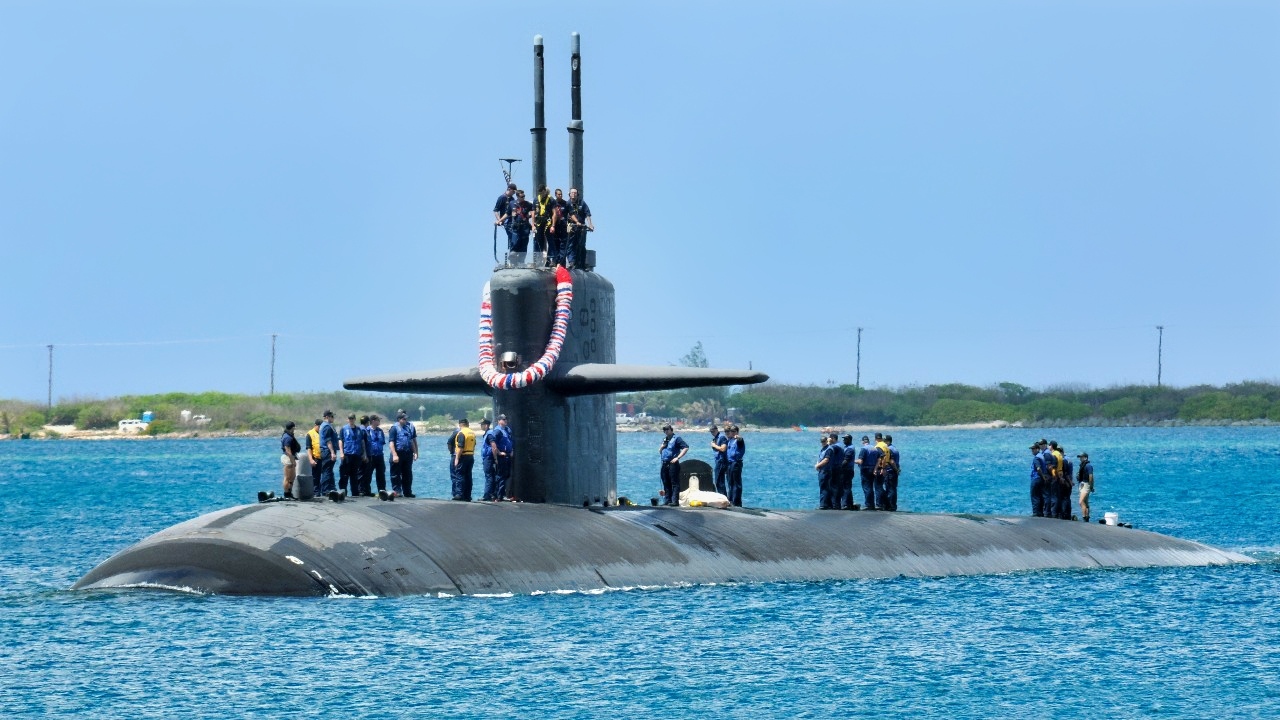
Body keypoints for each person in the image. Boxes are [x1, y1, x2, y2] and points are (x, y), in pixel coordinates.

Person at [388, 411, 418, 498]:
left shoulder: (408, 428)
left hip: (407, 453)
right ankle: (397, 491)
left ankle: (407, 492)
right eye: (403, 419)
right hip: (398, 453)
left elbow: (411, 441)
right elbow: (391, 443)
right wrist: (394, 455)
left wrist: (415, 452)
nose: (405, 420)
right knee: (396, 474)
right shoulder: (394, 428)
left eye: (406, 419)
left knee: (407, 473)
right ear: (399, 419)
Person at [659, 424, 688, 506]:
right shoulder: (665, 440)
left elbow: (685, 447)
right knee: (665, 481)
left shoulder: (677, 439)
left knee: (674, 482)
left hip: (673, 463)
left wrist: (678, 457)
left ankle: (674, 501)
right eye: (664, 430)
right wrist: (661, 447)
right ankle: (667, 500)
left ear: (671, 430)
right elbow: (660, 452)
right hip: (665, 463)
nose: (666, 431)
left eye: (667, 429)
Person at [565, 187, 593, 269]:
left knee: (581, 246)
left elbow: (587, 214)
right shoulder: (567, 204)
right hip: (571, 227)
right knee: (570, 246)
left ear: (577, 194)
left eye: (575, 193)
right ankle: (571, 262)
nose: (573, 194)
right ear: (569, 194)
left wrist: (590, 224)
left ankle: (582, 264)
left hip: (581, 228)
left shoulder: (582, 203)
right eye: (572, 193)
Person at [339, 413, 367, 496]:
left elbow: (362, 442)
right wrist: (341, 452)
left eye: (352, 419)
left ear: (355, 419)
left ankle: (355, 493)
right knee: (344, 474)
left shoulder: (359, 430)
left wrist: (364, 454)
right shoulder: (344, 429)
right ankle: (343, 492)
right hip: (347, 454)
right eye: (350, 419)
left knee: (354, 475)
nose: (351, 420)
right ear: (348, 419)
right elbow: (340, 441)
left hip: (356, 455)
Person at [453, 418, 477, 501]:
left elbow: (460, 447)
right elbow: (474, 444)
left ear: (460, 424)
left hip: (463, 456)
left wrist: (456, 458)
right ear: (468, 424)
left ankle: (459, 494)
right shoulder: (472, 433)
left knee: (460, 475)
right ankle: (468, 495)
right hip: (470, 455)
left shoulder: (461, 433)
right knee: (468, 476)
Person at [493, 414, 514, 500]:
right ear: (499, 421)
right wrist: (499, 452)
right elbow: (493, 443)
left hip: (508, 455)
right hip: (502, 456)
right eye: (504, 419)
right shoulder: (497, 431)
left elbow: (510, 441)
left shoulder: (507, 430)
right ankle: (499, 495)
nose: (506, 421)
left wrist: (512, 450)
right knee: (501, 475)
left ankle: (502, 494)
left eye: (506, 419)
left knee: (506, 475)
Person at [366, 414, 388, 497]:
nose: (379, 422)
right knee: (368, 474)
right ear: (373, 421)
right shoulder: (367, 430)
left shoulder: (380, 431)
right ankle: (367, 490)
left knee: (381, 474)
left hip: (379, 455)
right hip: (370, 456)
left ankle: (382, 490)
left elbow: (382, 442)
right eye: (378, 420)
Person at [318, 410, 340, 495]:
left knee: (329, 470)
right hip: (327, 451)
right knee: (327, 470)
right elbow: (328, 441)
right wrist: (332, 452)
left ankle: (331, 488)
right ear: (327, 417)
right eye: (332, 417)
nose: (333, 418)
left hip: (328, 451)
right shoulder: (327, 427)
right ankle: (325, 490)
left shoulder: (327, 426)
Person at [534, 185, 556, 263]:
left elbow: (554, 213)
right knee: (538, 241)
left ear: (544, 191)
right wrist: (533, 225)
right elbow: (533, 212)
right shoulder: (536, 199)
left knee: (550, 241)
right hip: (539, 223)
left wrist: (553, 225)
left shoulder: (551, 200)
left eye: (542, 192)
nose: (541, 194)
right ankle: (537, 260)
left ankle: (551, 258)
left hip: (548, 223)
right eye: (539, 193)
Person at [725, 424, 745, 507]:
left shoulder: (738, 440)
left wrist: (738, 437)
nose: (732, 433)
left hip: (736, 462)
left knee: (736, 483)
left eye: (733, 431)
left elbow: (740, 440)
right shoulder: (730, 440)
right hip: (730, 463)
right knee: (730, 482)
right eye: (731, 431)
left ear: (737, 432)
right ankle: (731, 499)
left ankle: (737, 502)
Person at [510, 189, 534, 255]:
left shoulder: (528, 204)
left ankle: (522, 260)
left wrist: (532, 224)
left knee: (524, 244)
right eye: (522, 196)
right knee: (514, 242)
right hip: (516, 226)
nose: (523, 197)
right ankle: (513, 257)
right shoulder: (512, 203)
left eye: (524, 196)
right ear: (517, 196)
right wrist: (500, 221)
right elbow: (507, 213)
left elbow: (533, 213)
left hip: (525, 226)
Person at [280, 421, 301, 498]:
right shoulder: (287, 437)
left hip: (291, 457)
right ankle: (286, 493)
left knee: (292, 477)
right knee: (287, 477)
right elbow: (288, 450)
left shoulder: (288, 436)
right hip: (288, 458)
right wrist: (293, 461)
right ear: (292, 428)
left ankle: (289, 492)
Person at [493, 182, 516, 249]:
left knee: (515, 236)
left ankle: (513, 249)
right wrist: (499, 220)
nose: (514, 193)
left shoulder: (512, 199)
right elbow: (496, 210)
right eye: (513, 191)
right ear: (509, 189)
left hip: (513, 220)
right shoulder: (502, 198)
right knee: (511, 235)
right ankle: (512, 250)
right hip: (505, 221)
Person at [551, 188, 570, 267]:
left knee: (563, 245)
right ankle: (555, 261)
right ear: (555, 195)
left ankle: (562, 262)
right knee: (555, 244)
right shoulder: (553, 203)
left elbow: (570, 214)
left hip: (563, 226)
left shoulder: (565, 204)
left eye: (561, 194)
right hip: (556, 226)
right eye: (559, 194)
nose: (560, 196)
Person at [1029, 442, 1050, 517]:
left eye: (1033, 449)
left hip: (1036, 478)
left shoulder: (1036, 458)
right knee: (1040, 496)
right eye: (1032, 449)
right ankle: (1040, 512)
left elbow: (1038, 468)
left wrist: (1042, 476)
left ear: (1037, 449)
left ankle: (1035, 512)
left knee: (1034, 495)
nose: (1032, 451)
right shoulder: (1042, 456)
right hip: (1041, 479)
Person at [855, 435, 875, 510]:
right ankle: (872, 504)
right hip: (873, 469)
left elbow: (860, 461)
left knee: (866, 487)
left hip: (865, 469)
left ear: (863, 441)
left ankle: (868, 505)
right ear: (868, 441)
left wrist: (852, 461)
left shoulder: (863, 449)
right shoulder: (874, 448)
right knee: (871, 487)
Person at [479, 418, 497, 501]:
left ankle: (487, 495)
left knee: (488, 476)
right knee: (491, 476)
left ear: (486, 425)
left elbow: (493, 446)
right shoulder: (487, 434)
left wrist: (495, 458)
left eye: (482, 424)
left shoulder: (489, 434)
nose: (481, 426)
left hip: (488, 458)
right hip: (487, 458)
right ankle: (492, 494)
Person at [815, 435, 835, 509]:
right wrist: (817, 464)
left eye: (824, 441)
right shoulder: (823, 449)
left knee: (824, 487)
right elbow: (820, 458)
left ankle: (823, 505)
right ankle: (828, 504)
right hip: (822, 470)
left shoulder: (829, 449)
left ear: (826, 441)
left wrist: (818, 466)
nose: (822, 443)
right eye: (822, 441)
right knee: (825, 487)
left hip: (825, 471)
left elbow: (826, 460)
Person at [710, 424, 729, 497]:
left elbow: (723, 449)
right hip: (718, 461)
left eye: (713, 431)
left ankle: (723, 497)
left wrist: (714, 445)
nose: (712, 433)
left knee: (719, 481)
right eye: (711, 432)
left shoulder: (722, 437)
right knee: (719, 481)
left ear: (717, 430)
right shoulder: (715, 438)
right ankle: (722, 496)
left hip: (721, 461)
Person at [883, 434, 901, 511]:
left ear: (888, 441)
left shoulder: (888, 449)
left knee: (889, 488)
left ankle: (890, 505)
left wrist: (896, 469)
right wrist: (897, 469)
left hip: (890, 471)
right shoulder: (895, 449)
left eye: (885, 441)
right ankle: (893, 505)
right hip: (894, 471)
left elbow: (892, 461)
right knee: (893, 488)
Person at [839, 434, 856, 510]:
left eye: (845, 439)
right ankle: (850, 503)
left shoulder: (850, 449)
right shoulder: (846, 447)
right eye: (844, 439)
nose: (844, 440)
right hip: (847, 470)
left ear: (849, 440)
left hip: (847, 470)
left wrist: (839, 467)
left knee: (845, 487)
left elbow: (846, 460)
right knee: (847, 486)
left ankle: (845, 504)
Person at [304, 418, 322, 491]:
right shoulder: (310, 434)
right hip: (316, 458)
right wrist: (311, 459)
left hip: (324, 458)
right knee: (315, 477)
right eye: (319, 426)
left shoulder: (322, 433)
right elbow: (309, 448)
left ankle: (324, 492)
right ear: (315, 425)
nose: (320, 428)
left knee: (324, 476)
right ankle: (316, 492)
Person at [1076, 452, 1095, 523]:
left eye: (1081, 457)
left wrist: (1091, 486)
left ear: (1085, 457)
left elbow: (1091, 476)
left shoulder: (1088, 466)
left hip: (1086, 484)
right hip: (1082, 484)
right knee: (1086, 502)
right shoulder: (1083, 465)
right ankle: (1087, 517)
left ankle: (1084, 516)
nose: (1080, 459)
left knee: (1081, 501)